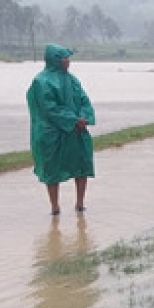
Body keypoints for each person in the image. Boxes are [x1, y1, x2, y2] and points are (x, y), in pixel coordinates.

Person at [26, 44, 96, 215]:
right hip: (51, 133)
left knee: (82, 164)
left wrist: (84, 118)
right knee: (52, 170)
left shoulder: (72, 79)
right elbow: (49, 108)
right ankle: (55, 207)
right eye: (65, 58)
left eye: (68, 58)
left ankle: (80, 204)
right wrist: (73, 120)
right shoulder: (41, 82)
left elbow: (84, 99)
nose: (68, 62)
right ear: (55, 60)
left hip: (76, 130)